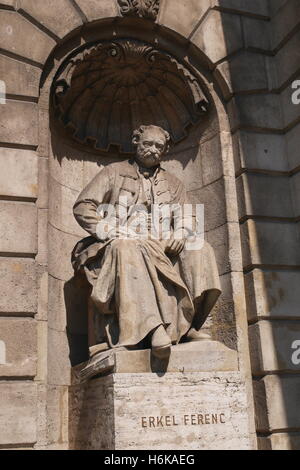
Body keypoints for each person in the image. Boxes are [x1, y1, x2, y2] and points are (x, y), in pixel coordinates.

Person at [72, 125, 221, 358]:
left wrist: (180, 233)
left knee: (201, 249)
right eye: (147, 144)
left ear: (165, 150)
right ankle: (152, 328)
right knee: (127, 247)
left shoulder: (173, 183)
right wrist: (110, 230)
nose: (153, 150)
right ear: (136, 142)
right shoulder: (112, 172)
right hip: (119, 239)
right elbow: (84, 207)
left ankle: (188, 325)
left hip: (160, 242)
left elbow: (188, 215)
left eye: (159, 146)